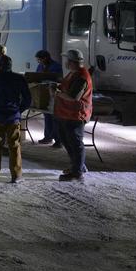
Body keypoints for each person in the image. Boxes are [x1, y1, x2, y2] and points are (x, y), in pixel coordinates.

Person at [0, 55, 33, 182]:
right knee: (14, 146)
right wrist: (18, 111)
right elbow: (27, 99)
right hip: (13, 118)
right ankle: (16, 175)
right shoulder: (19, 78)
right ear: (10, 65)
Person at [53, 48, 93, 181]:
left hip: (75, 115)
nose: (65, 63)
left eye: (67, 60)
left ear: (71, 62)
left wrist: (56, 93)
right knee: (67, 141)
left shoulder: (81, 76)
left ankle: (77, 172)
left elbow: (74, 97)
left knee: (75, 144)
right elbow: (67, 88)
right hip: (67, 114)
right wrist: (59, 87)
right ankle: (77, 166)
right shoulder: (73, 74)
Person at [34, 49, 64, 148]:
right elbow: (37, 76)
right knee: (47, 116)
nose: (39, 62)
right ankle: (48, 137)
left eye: (40, 60)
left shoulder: (56, 67)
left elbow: (58, 79)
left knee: (55, 117)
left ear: (45, 58)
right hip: (43, 93)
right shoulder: (40, 66)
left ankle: (58, 140)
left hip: (54, 94)